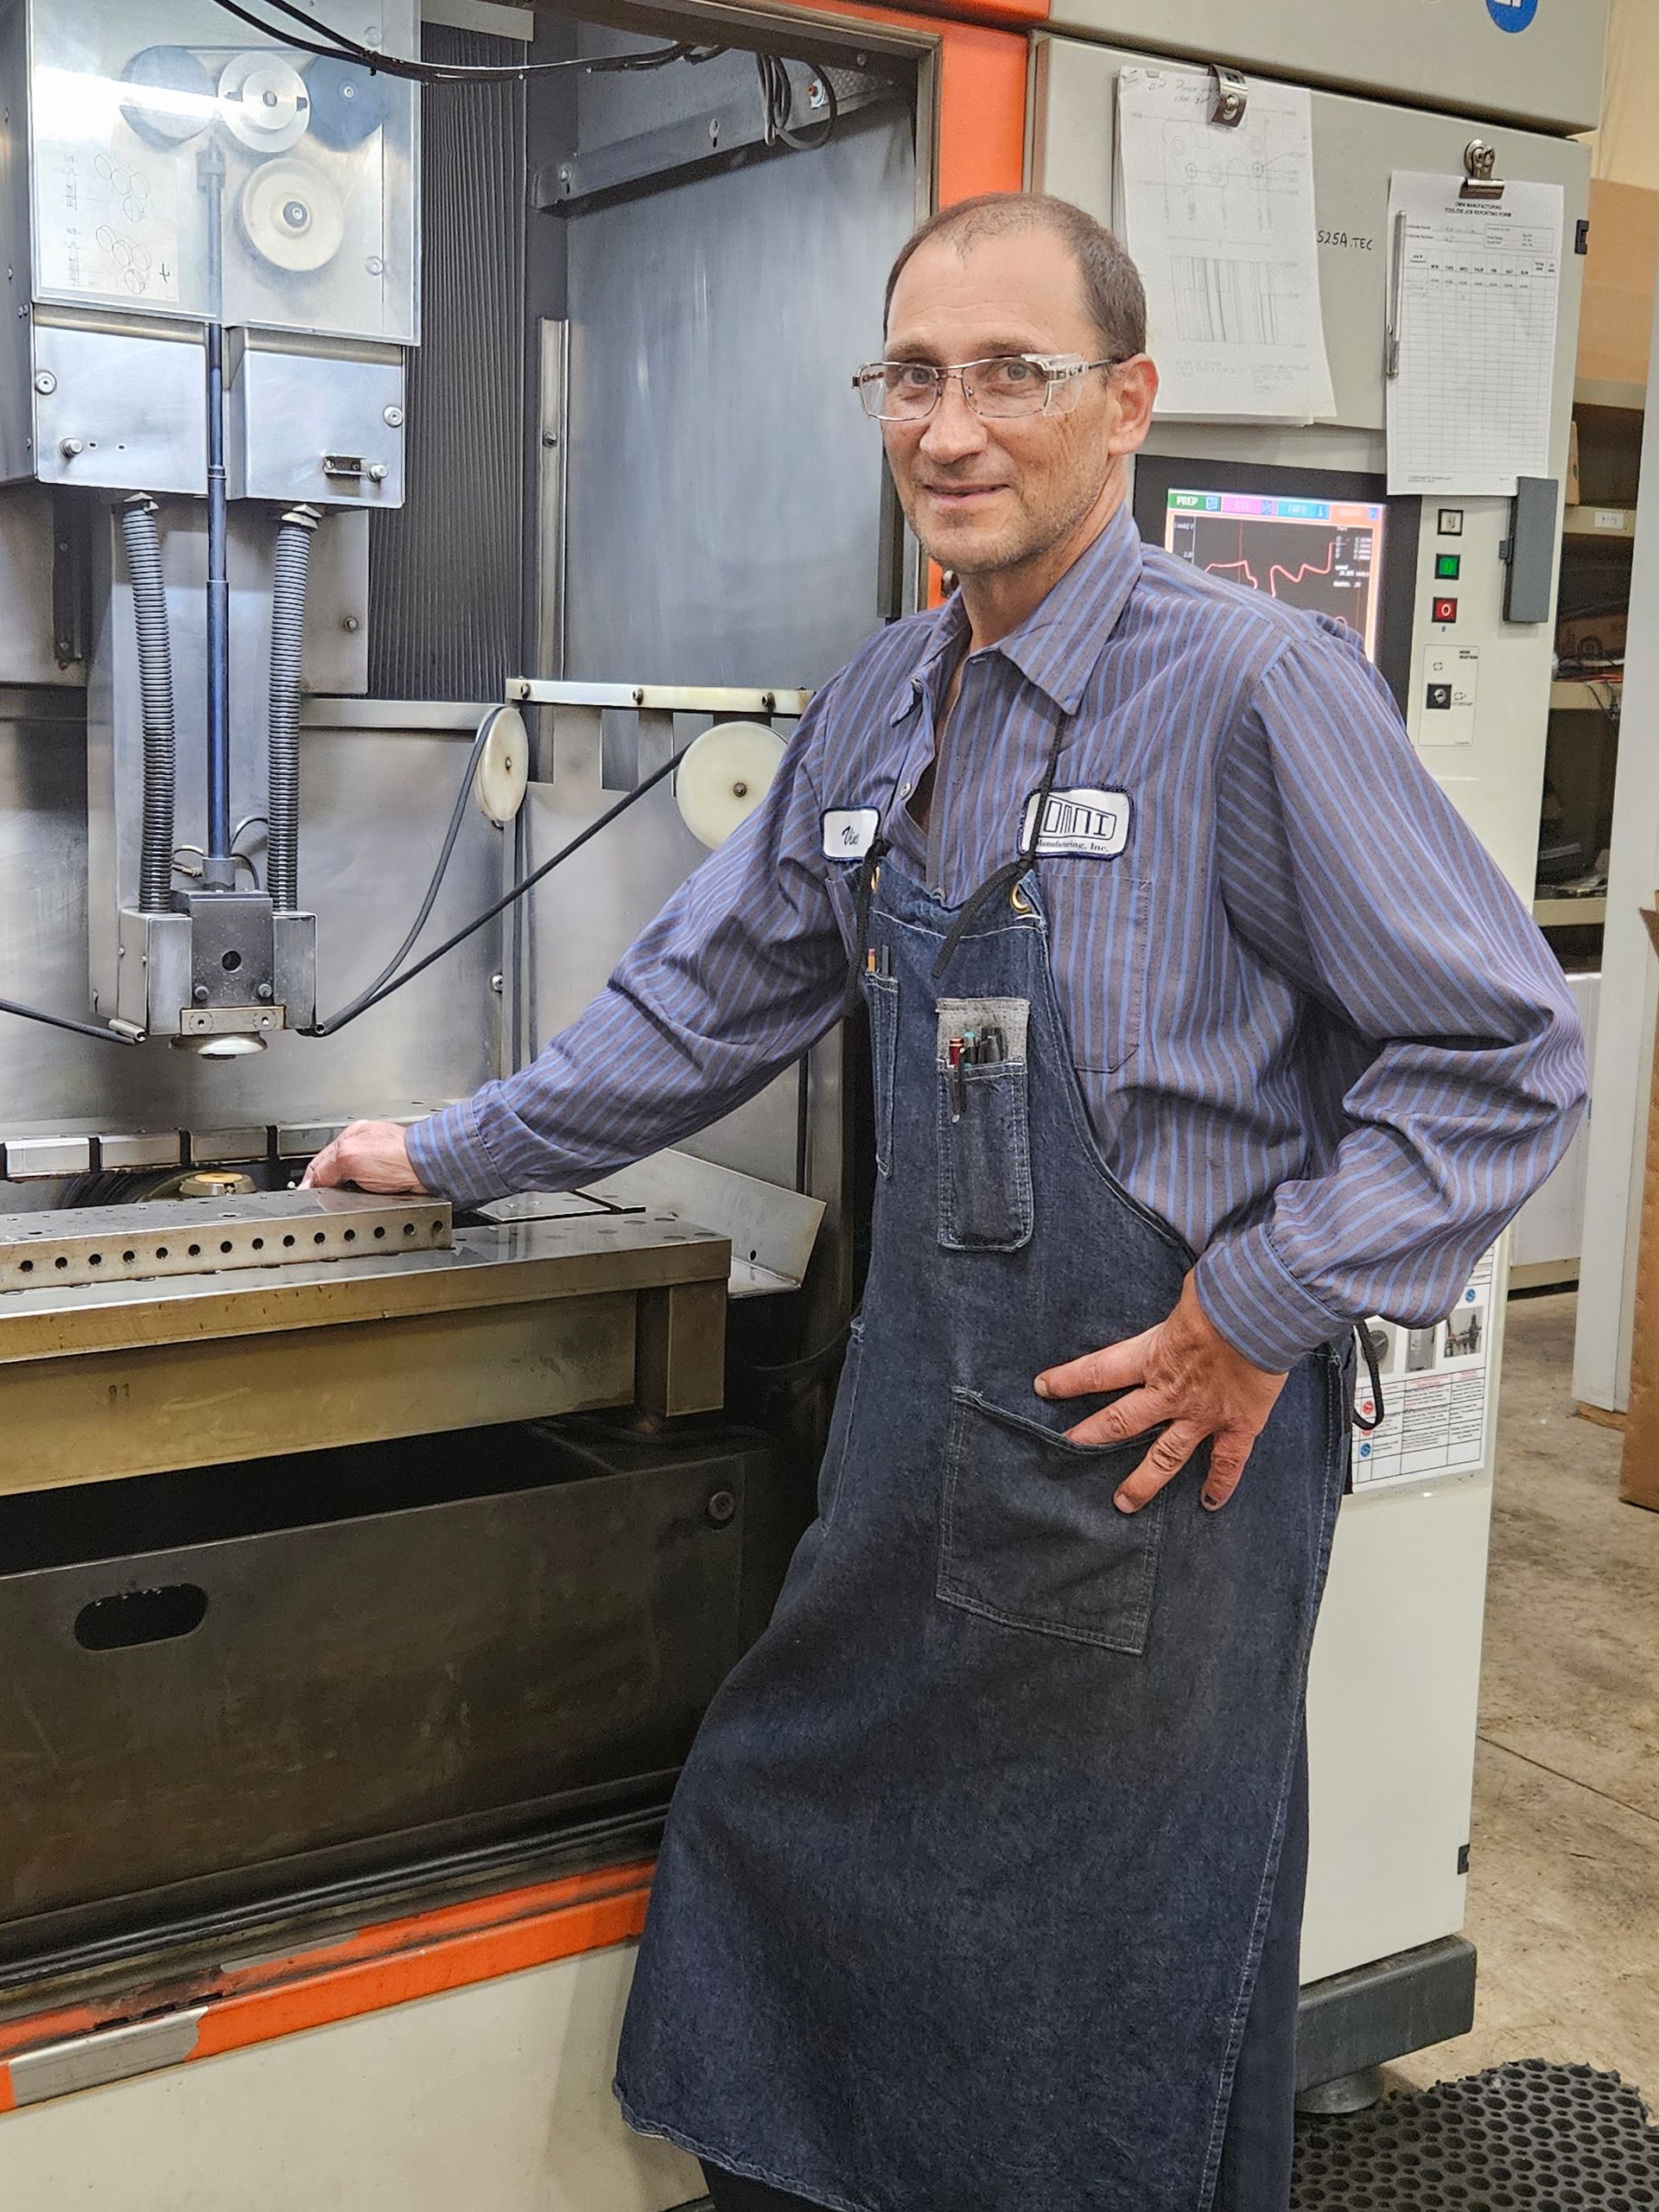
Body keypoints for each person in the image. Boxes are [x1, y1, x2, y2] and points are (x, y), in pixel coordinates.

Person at [304, 194, 1587, 2212]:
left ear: (1127, 403)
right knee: (789, 1825)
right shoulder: (888, 695)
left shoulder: (1252, 692)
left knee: (1121, 1971)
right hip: (931, 1432)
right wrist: (457, 1149)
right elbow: (712, 991)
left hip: (1158, 1458)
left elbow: (1507, 1053)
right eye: (917, 375)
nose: (955, 425)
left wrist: (1259, 1302)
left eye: (1014, 373)